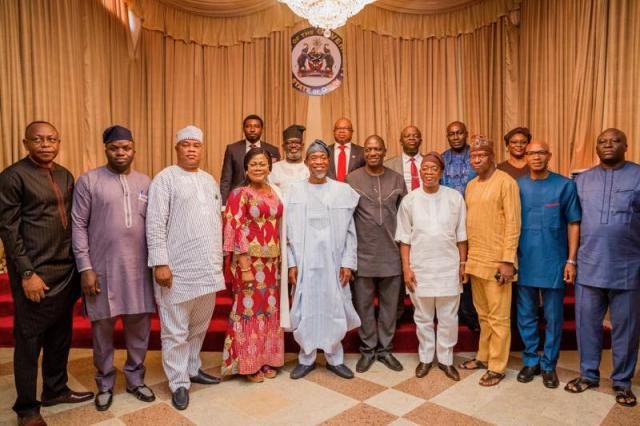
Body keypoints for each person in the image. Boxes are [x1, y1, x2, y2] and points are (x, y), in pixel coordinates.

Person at [0, 121, 93, 426]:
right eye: (38, 140)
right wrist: (27, 273)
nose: (45, 144)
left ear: (58, 142)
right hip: (35, 274)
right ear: (26, 143)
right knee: (29, 342)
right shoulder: (13, 177)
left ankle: (55, 389)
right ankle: (27, 408)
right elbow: (9, 230)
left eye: (51, 139)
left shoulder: (65, 175)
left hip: (65, 271)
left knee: (60, 336)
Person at [71, 125, 157, 411]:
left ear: (134, 149)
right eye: (114, 148)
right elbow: (78, 225)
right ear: (106, 150)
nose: (121, 152)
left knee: (139, 330)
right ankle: (105, 383)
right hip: (102, 271)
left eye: (126, 148)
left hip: (139, 270)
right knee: (102, 332)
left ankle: (135, 380)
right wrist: (85, 268)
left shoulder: (145, 182)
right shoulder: (89, 181)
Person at [146, 125, 225, 410]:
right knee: (175, 330)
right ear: (177, 148)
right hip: (176, 271)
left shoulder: (209, 180)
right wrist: (160, 263)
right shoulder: (165, 179)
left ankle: (192, 368)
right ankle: (178, 382)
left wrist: (218, 261)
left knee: (198, 326)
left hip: (208, 269)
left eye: (196, 145)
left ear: (202, 149)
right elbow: (155, 223)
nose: (191, 149)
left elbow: (216, 223)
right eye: (186, 144)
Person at [565, 128, 640, 408]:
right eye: (602, 141)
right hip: (589, 266)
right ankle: (588, 375)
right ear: (596, 147)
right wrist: (571, 260)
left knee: (626, 330)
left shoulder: (638, 175)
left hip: (628, 267)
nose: (608, 145)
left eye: (614, 140)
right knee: (587, 326)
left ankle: (622, 382)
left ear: (626, 145)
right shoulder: (581, 181)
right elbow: (573, 222)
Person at [287, 140, 361, 380]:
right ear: (306, 162)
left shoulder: (342, 191)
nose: (318, 162)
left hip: (333, 263)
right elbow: (286, 233)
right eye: (314, 158)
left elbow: (350, 230)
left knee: (333, 307)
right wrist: (291, 263)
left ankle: (334, 358)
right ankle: (306, 358)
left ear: (328, 161)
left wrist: (347, 262)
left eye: (322, 158)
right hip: (305, 263)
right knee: (305, 309)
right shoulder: (293, 191)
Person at [396, 152, 467, 382]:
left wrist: (462, 264)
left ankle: (446, 359)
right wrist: (406, 268)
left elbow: (462, 235)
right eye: (425, 168)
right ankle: (426, 358)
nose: (428, 172)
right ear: (419, 172)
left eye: (433, 168)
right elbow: (404, 239)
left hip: (448, 267)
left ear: (441, 172)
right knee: (423, 317)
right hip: (421, 268)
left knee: (448, 318)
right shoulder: (410, 200)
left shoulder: (454, 198)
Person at [515, 141, 581, 389]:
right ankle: (531, 360)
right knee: (526, 315)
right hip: (524, 260)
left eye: (541, 152)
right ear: (526, 157)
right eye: (531, 153)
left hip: (554, 260)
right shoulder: (517, 186)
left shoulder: (565, 185)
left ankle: (549, 364)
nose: (536, 157)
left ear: (549, 155)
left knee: (554, 317)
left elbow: (574, 223)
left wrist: (571, 260)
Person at [458, 135, 521, 387]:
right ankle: (483, 357)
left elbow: (514, 224)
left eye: (481, 155)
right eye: (473, 156)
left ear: (492, 157)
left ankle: (497, 366)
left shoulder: (506, 182)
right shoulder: (471, 185)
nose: (476, 160)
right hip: (476, 261)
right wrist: (465, 262)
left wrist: (508, 260)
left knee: (498, 318)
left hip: (497, 263)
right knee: (482, 316)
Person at [221, 148, 286, 383]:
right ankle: (247, 364)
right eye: (253, 164)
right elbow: (234, 228)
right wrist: (245, 266)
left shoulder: (275, 192)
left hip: (272, 263)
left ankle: (266, 359)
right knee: (248, 311)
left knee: (268, 311)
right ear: (246, 169)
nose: (258, 167)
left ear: (270, 167)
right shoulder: (240, 193)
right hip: (250, 262)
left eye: (262, 163)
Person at [346, 135, 406, 373]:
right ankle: (368, 350)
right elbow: (346, 218)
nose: (373, 153)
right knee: (364, 306)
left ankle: (385, 350)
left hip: (391, 254)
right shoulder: (352, 179)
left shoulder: (397, 179)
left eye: (377, 149)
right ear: (364, 153)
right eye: (369, 149)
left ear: (384, 151)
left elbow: (405, 216)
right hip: (363, 254)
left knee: (390, 307)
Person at [440, 121, 479, 333]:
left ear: (466, 134)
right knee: (454, 266)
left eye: (459, 133)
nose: (455, 137)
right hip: (449, 222)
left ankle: (473, 315)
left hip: (475, 220)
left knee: (472, 267)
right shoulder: (442, 159)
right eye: (451, 134)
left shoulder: (476, 157)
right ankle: (457, 313)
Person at [220, 115, 281, 204]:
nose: (252, 129)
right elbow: (226, 180)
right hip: (238, 198)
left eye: (256, 126)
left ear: (262, 129)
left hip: (264, 199)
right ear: (243, 129)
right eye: (248, 126)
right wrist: (223, 204)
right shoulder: (232, 149)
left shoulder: (272, 150)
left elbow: (275, 177)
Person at [269, 124, 309, 193]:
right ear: (283, 146)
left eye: (297, 142)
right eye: (289, 143)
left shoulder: (310, 167)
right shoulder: (274, 169)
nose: (293, 145)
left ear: (302, 146)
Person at [384, 125, 423, 191]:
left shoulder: (430, 162)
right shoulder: (388, 165)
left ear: (421, 141)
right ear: (401, 141)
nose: (411, 138)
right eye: (407, 136)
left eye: (416, 136)